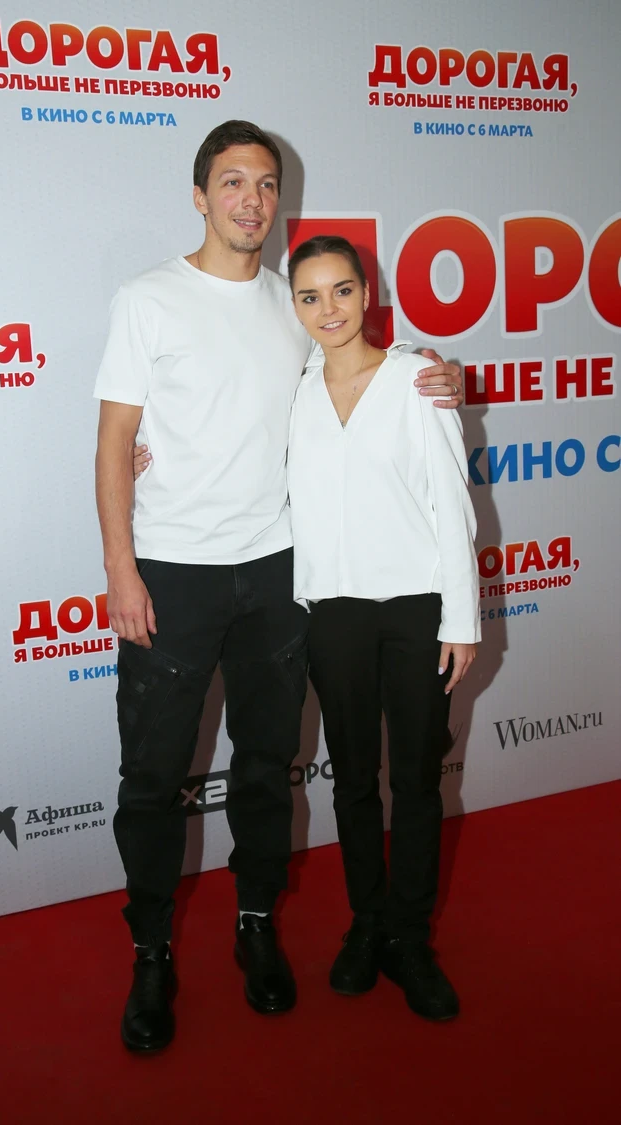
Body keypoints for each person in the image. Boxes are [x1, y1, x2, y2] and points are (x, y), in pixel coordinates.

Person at [94, 119, 464, 1052]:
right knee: (152, 777)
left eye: (265, 184)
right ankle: (150, 950)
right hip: (171, 573)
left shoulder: (291, 302)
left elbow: (359, 374)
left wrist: (441, 375)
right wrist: (120, 568)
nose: (251, 200)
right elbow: (113, 439)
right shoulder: (146, 298)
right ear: (199, 195)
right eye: (232, 182)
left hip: (275, 571)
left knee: (266, 767)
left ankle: (255, 922)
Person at [286, 235, 480, 1021]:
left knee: (418, 780)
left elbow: (451, 502)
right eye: (309, 296)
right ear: (294, 307)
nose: (328, 309)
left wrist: (461, 619)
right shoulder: (293, 390)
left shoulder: (413, 380)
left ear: (367, 293)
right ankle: (367, 921)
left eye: (341, 290)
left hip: (415, 610)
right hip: (332, 614)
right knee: (355, 779)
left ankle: (410, 935)